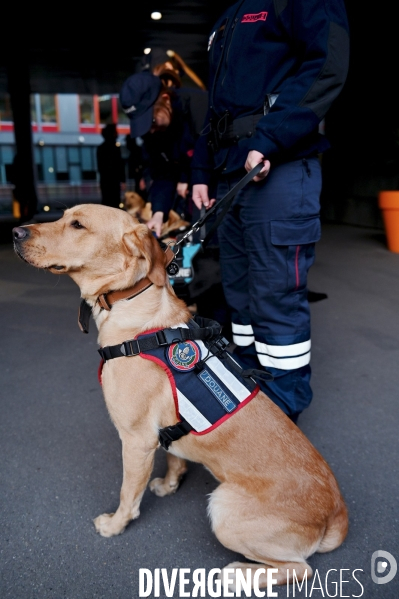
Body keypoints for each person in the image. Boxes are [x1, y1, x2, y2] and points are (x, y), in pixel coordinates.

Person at [191, 0, 350, 422]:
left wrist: (271, 138)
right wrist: (201, 170)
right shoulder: (229, 15)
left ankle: (282, 425)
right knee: (239, 301)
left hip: (275, 166)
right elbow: (217, 105)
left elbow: (326, 64)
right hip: (230, 171)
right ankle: (250, 401)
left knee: (275, 298)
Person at [120, 71, 199, 237]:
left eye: (152, 121)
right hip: (191, 200)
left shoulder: (199, 108)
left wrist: (192, 179)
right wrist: (159, 213)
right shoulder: (153, 135)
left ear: (166, 99)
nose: (151, 130)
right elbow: (163, 173)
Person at [96, 123, 126, 208]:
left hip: (106, 180)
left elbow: (100, 167)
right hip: (114, 180)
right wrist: (122, 180)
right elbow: (120, 165)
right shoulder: (115, 148)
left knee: (107, 203)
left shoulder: (101, 148)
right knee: (115, 203)